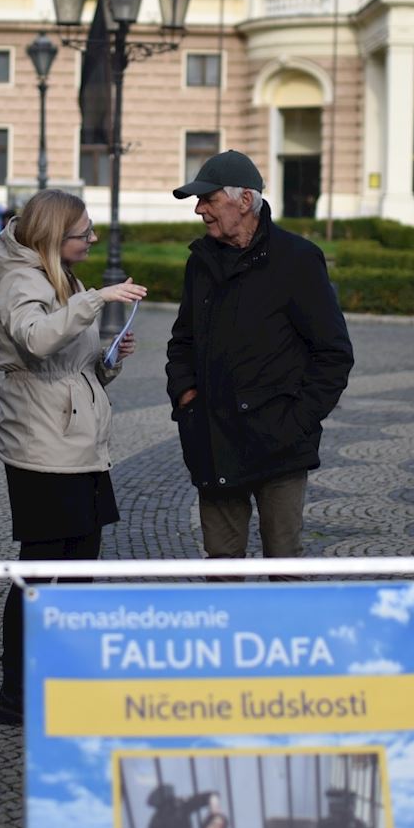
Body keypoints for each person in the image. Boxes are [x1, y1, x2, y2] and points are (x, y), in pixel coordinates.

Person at [0, 189, 148, 726]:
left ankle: (60, 676)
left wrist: (107, 358)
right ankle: (17, 693)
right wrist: (95, 300)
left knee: (79, 564)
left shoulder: (61, 278)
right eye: (83, 233)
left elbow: (70, 362)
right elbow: (35, 338)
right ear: (55, 236)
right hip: (42, 446)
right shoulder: (20, 280)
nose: (93, 239)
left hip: (79, 442)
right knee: (41, 567)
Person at [166, 151, 354, 561]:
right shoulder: (200, 262)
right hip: (215, 440)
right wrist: (186, 397)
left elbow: (334, 354)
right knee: (222, 565)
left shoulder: (298, 259)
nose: (199, 210)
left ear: (245, 200)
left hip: (280, 446)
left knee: (284, 565)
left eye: (208, 199)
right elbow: (182, 343)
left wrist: (296, 422)